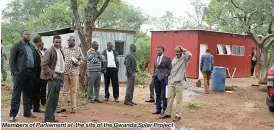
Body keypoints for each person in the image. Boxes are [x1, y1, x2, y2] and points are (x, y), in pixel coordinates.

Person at [9, 30, 38, 122]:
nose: (28, 35)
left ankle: (27, 112)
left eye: (29, 34)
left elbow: (35, 59)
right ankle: (13, 115)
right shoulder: (17, 45)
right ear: (22, 36)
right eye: (26, 34)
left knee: (28, 94)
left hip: (31, 73)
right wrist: (15, 72)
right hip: (20, 74)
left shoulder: (32, 46)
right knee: (16, 94)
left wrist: (35, 72)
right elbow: (12, 60)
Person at [160, 45, 192, 122]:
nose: (177, 53)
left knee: (179, 100)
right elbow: (171, 70)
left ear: (181, 52)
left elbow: (190, 55)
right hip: (172, 82)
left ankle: (178, 115)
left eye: (179, 51)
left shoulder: (185, 59)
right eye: (176, 52)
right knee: (170, 99)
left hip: (179, 82)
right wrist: (169, 78)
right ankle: (167, 113)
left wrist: (183, 48)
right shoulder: (174, 59)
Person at [41, 35, 65, 122]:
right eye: (56, 42)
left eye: (59, 42)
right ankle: (48, 120)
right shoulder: (49, 51)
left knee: (55, 99)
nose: (58, 44)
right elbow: (44, 64)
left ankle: (51, 118)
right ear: (53, 42)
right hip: (53, 77)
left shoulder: (60, 51)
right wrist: (52, 74)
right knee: (51, 99)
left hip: (60, 76)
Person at [57, 36, 83, 113]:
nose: (68, 42)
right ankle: (63, 107)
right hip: (65, 73)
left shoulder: (78, 49)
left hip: (74, 73)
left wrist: (77, 62)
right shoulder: (64, 48)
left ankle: (73, 108)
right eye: (68, 40)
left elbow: (82, 59)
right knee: (65, 91)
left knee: (73, 91)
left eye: (70, 40)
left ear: (73, 41)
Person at [152, 46, 171, 114]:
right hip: (156, 78)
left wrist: (166, 76)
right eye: (156, 50)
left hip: (163, 79)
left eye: (159, 50)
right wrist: (154, 75)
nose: (157, 51)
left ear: (163, 51)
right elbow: (155, 68)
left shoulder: (167, 58)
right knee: (157, 94)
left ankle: (165, 110)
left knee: (164, 95)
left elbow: (169, 69)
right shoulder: (155, 57)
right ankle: (158, 109)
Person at [30, 36, 45, 113]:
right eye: (41, 42)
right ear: (38, 42)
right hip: (34, 74)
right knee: (33, 91)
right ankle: (30, 107)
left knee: (37, 91)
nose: (41, 43)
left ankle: (36, 107)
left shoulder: (38, 50)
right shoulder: (32, 50)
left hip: (39, 74)